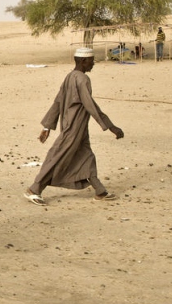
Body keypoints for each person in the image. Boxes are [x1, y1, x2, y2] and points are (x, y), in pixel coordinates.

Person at [23, 48, 124, 205]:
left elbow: (57, 101)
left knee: (86, 156)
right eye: (91, 61)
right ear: (83, 61)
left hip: (78, 127)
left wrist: (47, 126)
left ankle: (100, 191)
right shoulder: (82, 79)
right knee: (58, 156)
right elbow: (90, 105)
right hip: (73, 127)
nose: (93, 64)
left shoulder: (69, 77)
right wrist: (110, 126)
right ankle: (34, 189)